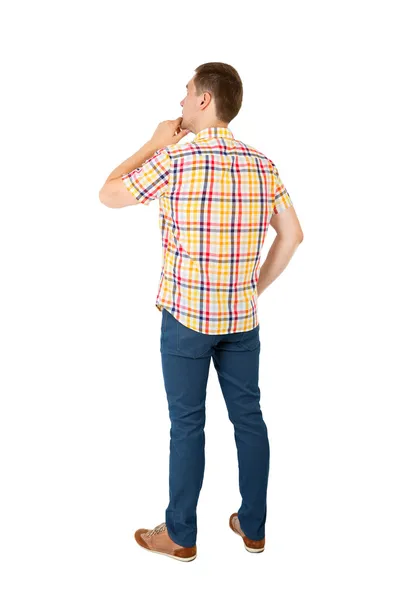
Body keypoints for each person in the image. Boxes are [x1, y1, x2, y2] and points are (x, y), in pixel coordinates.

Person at [99, 62, 304, 562]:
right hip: (240, 320)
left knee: (187, 424)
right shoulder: (263, 164)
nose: (182, 103)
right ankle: (252, 527)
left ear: (206, 101)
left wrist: (154, 142)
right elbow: (293, 234)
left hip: (186, 318)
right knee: (249, 418)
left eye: (187, 93)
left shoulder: (175, 159)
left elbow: (108, 193)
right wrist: (252, 288)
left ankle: (181, 535)